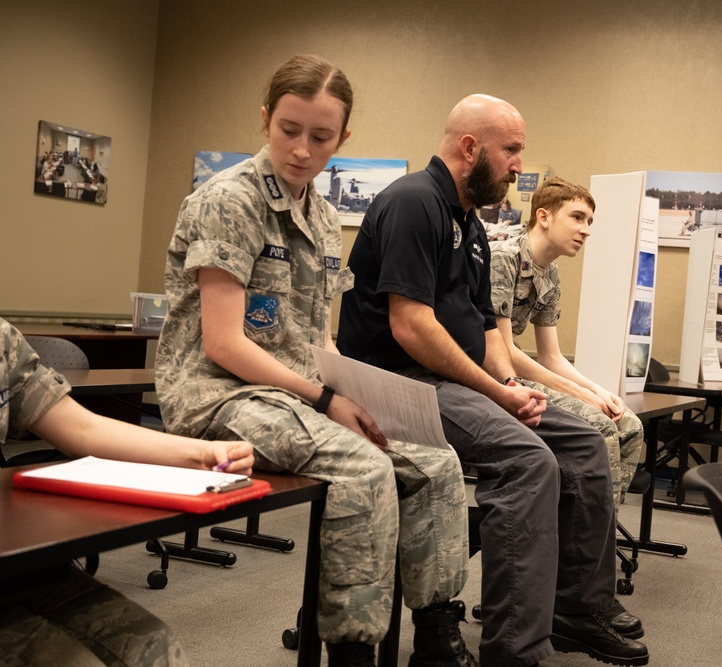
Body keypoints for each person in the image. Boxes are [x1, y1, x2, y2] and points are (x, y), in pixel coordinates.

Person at [153, 55, 475, 667]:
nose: (302, 150)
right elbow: (223, 346)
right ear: (266, 118)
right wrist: (326, 400)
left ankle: (435, 633)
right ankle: (350, 650)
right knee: (364, 468)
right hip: (218, 395)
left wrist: (355, 390)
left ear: (343, 139)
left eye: (321, 137)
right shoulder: (230, 201)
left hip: (292, 394)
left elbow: (318, 340)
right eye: (289, 130)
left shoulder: (323, 217)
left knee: (436, 463)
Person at [338, 94, 649, 667]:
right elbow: (410, 328)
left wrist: (513, 388)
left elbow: (487, 336)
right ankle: (514, 650)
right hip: (394, 382)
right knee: (528, 461)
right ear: (469, 147)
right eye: (512, 150)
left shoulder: (473, 228)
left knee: (582, 442)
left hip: (452, 381)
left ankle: (578, 608)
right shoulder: (414, 203)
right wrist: (496, 392)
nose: (518, 166)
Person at [0, 317, 255, 667]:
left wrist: (201, 453)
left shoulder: (2, 341)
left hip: (16, 568)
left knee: (156, 648)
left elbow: (82, 428)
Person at [489, 177, 643, 506]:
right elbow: (501, 351)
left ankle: (600, 529)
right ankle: (588, 540)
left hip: (513, 369)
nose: (586, 229)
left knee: (629, 425)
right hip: (488, 372)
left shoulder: (551, 272)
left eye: (589, 221)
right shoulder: (504, 257)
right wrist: (582, 395)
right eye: (577, 217)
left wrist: (600, 392)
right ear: (543, 217)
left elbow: (551, 356)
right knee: (600, 427)